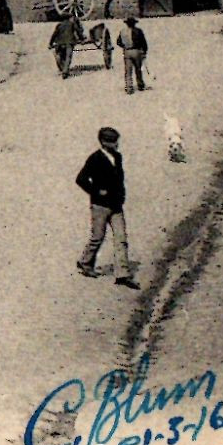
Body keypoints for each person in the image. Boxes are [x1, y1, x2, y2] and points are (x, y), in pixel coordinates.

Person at [75, 127, 139, 289]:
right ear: (104, 142)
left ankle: (122, 274)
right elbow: (81, 179)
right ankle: (85, 262)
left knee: (121, 239)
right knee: (98, 236)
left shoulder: (118, 157)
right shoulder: (95, 159)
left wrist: (121, 196)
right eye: (113, 141)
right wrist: (96, 191)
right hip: (100, 206)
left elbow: (120, 179)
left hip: (116, 205)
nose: (117, 144)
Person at [116, 17, 148, 95]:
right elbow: (143, 42)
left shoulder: (122, 31)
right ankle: (140, 84)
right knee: (138, 69)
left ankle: (129, 87)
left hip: (127, 51)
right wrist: (144, 51)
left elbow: (118, 42)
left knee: (128, 71)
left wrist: (124, 46)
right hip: (137, 51)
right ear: (134, 24)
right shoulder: (138, 31)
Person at [49, 14, 81, 79]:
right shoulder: (72, 24)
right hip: (69, 43)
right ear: (69, 18)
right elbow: (78, 32)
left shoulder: (59, 25)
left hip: (59, 44)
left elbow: (54, 35)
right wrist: (82, 39)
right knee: (68, 57)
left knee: (61, 56)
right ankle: (65, 72)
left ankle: (63, 68)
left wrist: (50, 44)